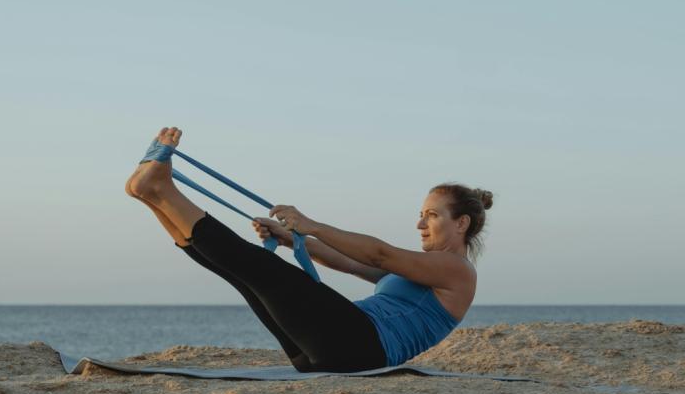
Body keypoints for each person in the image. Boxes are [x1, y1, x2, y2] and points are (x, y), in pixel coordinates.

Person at [125, 126, 493, 373]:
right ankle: (155, 198)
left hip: (359, 347)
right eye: (421, 215)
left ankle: (162, 189)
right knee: (241, 274)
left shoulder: (458, 271)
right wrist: (289, 239)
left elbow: (379, 254)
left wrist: (310, 224)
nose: (419, 224)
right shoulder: (426, 270)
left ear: (461, 224)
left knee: (254, 267)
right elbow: (349, 264)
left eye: (431, 216)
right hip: (325, 353)